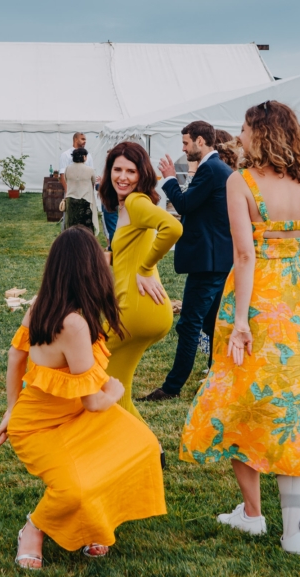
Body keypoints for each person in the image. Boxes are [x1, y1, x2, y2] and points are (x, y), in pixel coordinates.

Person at [179, 100, 300, 555]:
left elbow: (244, 256)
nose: (237, 136)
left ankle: (259, 515)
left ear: (261, 133)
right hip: (295, 303)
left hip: (254, 301)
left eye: (243, 128)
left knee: (243, 399)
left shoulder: (241, 182)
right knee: (288, 404)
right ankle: (265, 519)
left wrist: (239, 321)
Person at [0, 226, 166, 570]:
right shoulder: (73, 324)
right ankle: (33, 529)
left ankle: (95, 524)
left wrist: (11, 405)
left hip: (74, 415)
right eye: (101, 254)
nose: (108, 258)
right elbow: (93, 401)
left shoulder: (46, 303)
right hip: (42, 426)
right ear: (89, 269)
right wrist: (115, 393)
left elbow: (15, 356)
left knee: (142, 446)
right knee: (72, 489)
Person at [141, 121, 234, 403]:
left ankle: (172, 387)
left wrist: (169, 178)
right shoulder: (214, 169)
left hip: (209, 263)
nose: (183, 148)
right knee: (212, 324)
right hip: (217, 260)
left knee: (190, 324)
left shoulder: (212, 169)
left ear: (201, 142)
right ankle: (219, 375)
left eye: (186, 143)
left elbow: (183, 205)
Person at [99, 141, 182, 423]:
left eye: (131, 171)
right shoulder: (127, 206)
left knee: (90, 370)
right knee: (115, 389)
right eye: (117, 169)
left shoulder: (136, 202)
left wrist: (146, 268)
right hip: (142, 309)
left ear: (142, 174)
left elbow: (173, 227)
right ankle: (149, 451)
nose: (123, 177)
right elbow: (130, 252)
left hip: (136, 310)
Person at [64, 148, 99, 235]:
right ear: (84, 157)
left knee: (72, 226)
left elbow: (66, 179)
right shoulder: (90, 170)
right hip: (85, 201)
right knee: (85, 227)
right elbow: (94, 182)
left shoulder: (68, 168)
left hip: (71, 201)